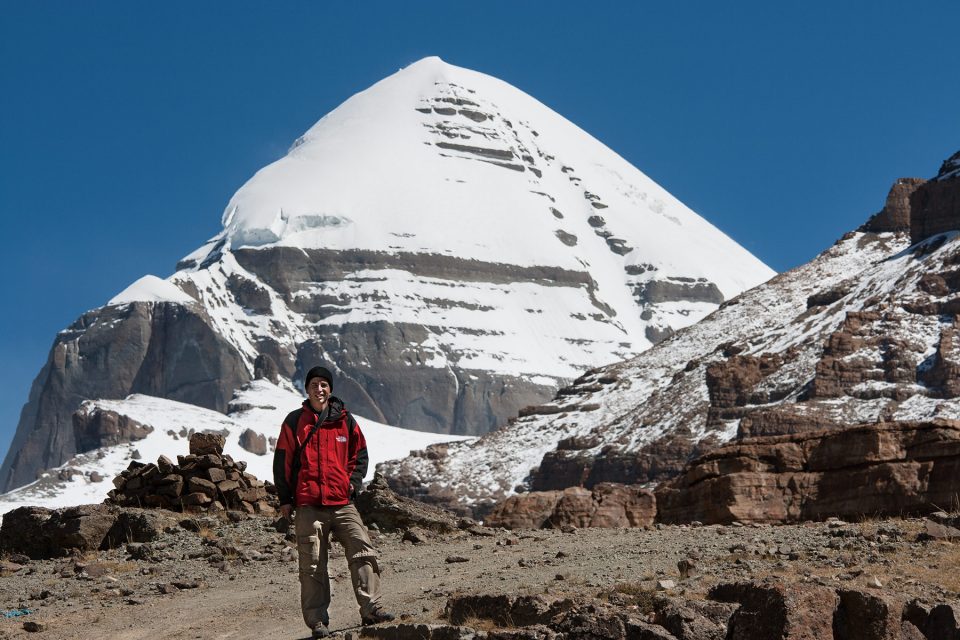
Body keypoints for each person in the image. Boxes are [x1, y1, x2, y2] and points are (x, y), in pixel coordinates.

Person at [273, 365, 394, 638]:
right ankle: (317, 622)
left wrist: (353, 483)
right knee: (313, 563)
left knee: (363, 550)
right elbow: (282, 461)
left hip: (341, 502)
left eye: (324, 384)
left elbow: (359, 454)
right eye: (314, 384)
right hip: (308, 503)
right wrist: (285, 499)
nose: (319, 388)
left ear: (330, 389)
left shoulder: (345, 421)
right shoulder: (294, 422)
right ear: (306, 389)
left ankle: (371, 608)